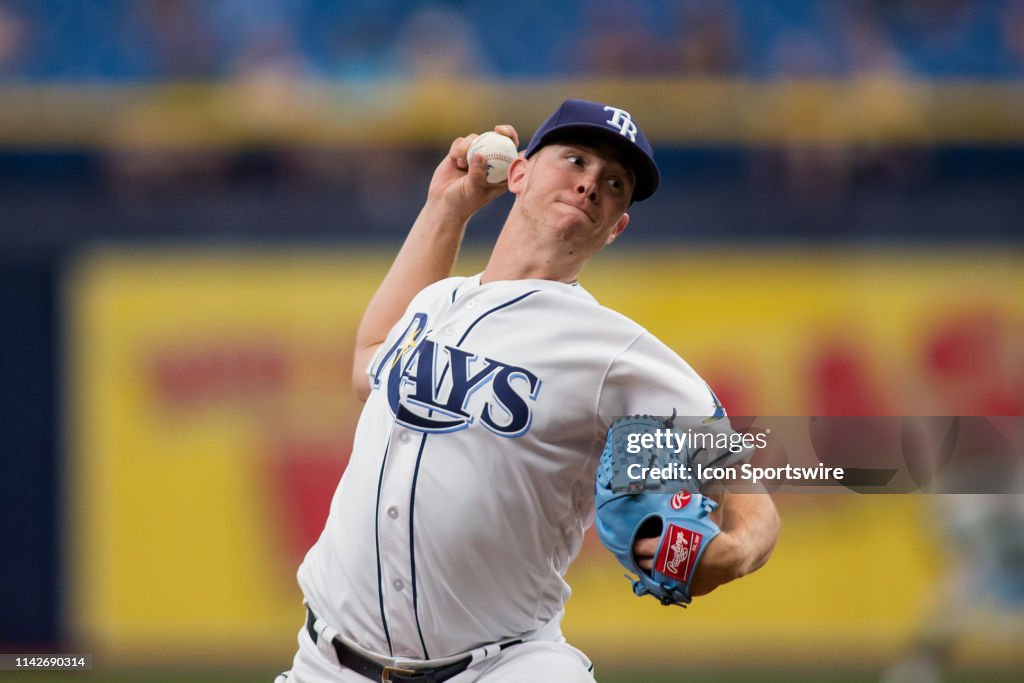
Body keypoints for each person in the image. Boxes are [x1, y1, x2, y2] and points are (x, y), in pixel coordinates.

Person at [277, 98, 780, 682]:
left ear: (616, 227)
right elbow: (370, 362)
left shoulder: (615, 350)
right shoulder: (438, 301)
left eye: (613, 182)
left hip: (504, 666)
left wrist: (732, 553)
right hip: (329, 664)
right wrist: (447, 207)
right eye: (574, 159)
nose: (590, 183)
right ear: (518, 172)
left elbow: (745, 486)